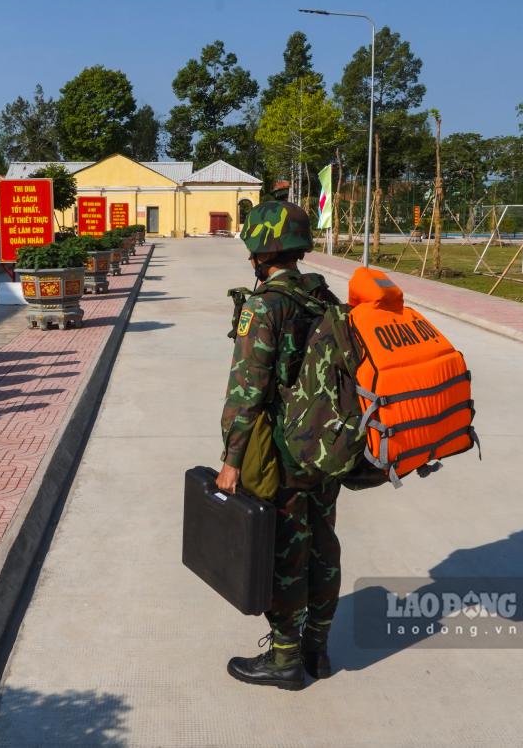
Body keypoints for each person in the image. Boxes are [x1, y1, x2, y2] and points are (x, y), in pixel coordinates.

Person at [217, 200, 342, 690]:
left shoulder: (266, 305)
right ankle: (319, 650)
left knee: (287, 551)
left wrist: (231, 461)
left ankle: (286, 660)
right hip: (327, 449)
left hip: (284, 453)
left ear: (259, 253)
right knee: (323, 545)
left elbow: (247, 391)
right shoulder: (324, 296)